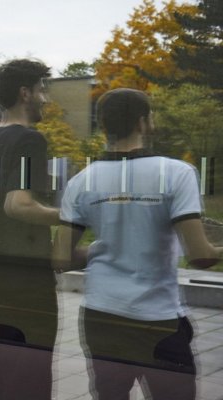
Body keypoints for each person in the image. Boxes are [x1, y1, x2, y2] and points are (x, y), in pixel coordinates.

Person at [55, 88, 218, 399]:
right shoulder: (176, 173)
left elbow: (61, 258)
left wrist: (102, 248)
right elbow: (201, 257)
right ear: (144, 122)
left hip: (101, 314)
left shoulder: (82, 180)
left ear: (103, 125)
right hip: (158, 318)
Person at [0, 59, 61, 399]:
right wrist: (72, 216)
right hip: (26, 285)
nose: (45, 98)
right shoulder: (31, 140)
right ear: (25, 93)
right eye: (41, 90)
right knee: (30, 381)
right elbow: (18, 204)